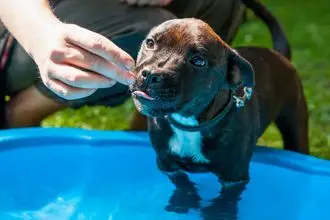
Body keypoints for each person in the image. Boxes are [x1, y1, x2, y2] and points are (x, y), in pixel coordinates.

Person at [0, 0, 246, 128]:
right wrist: (41, 35)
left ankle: (150, 131)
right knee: (144, 33)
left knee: (222, 5)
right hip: (18, 21)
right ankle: (20, 117)